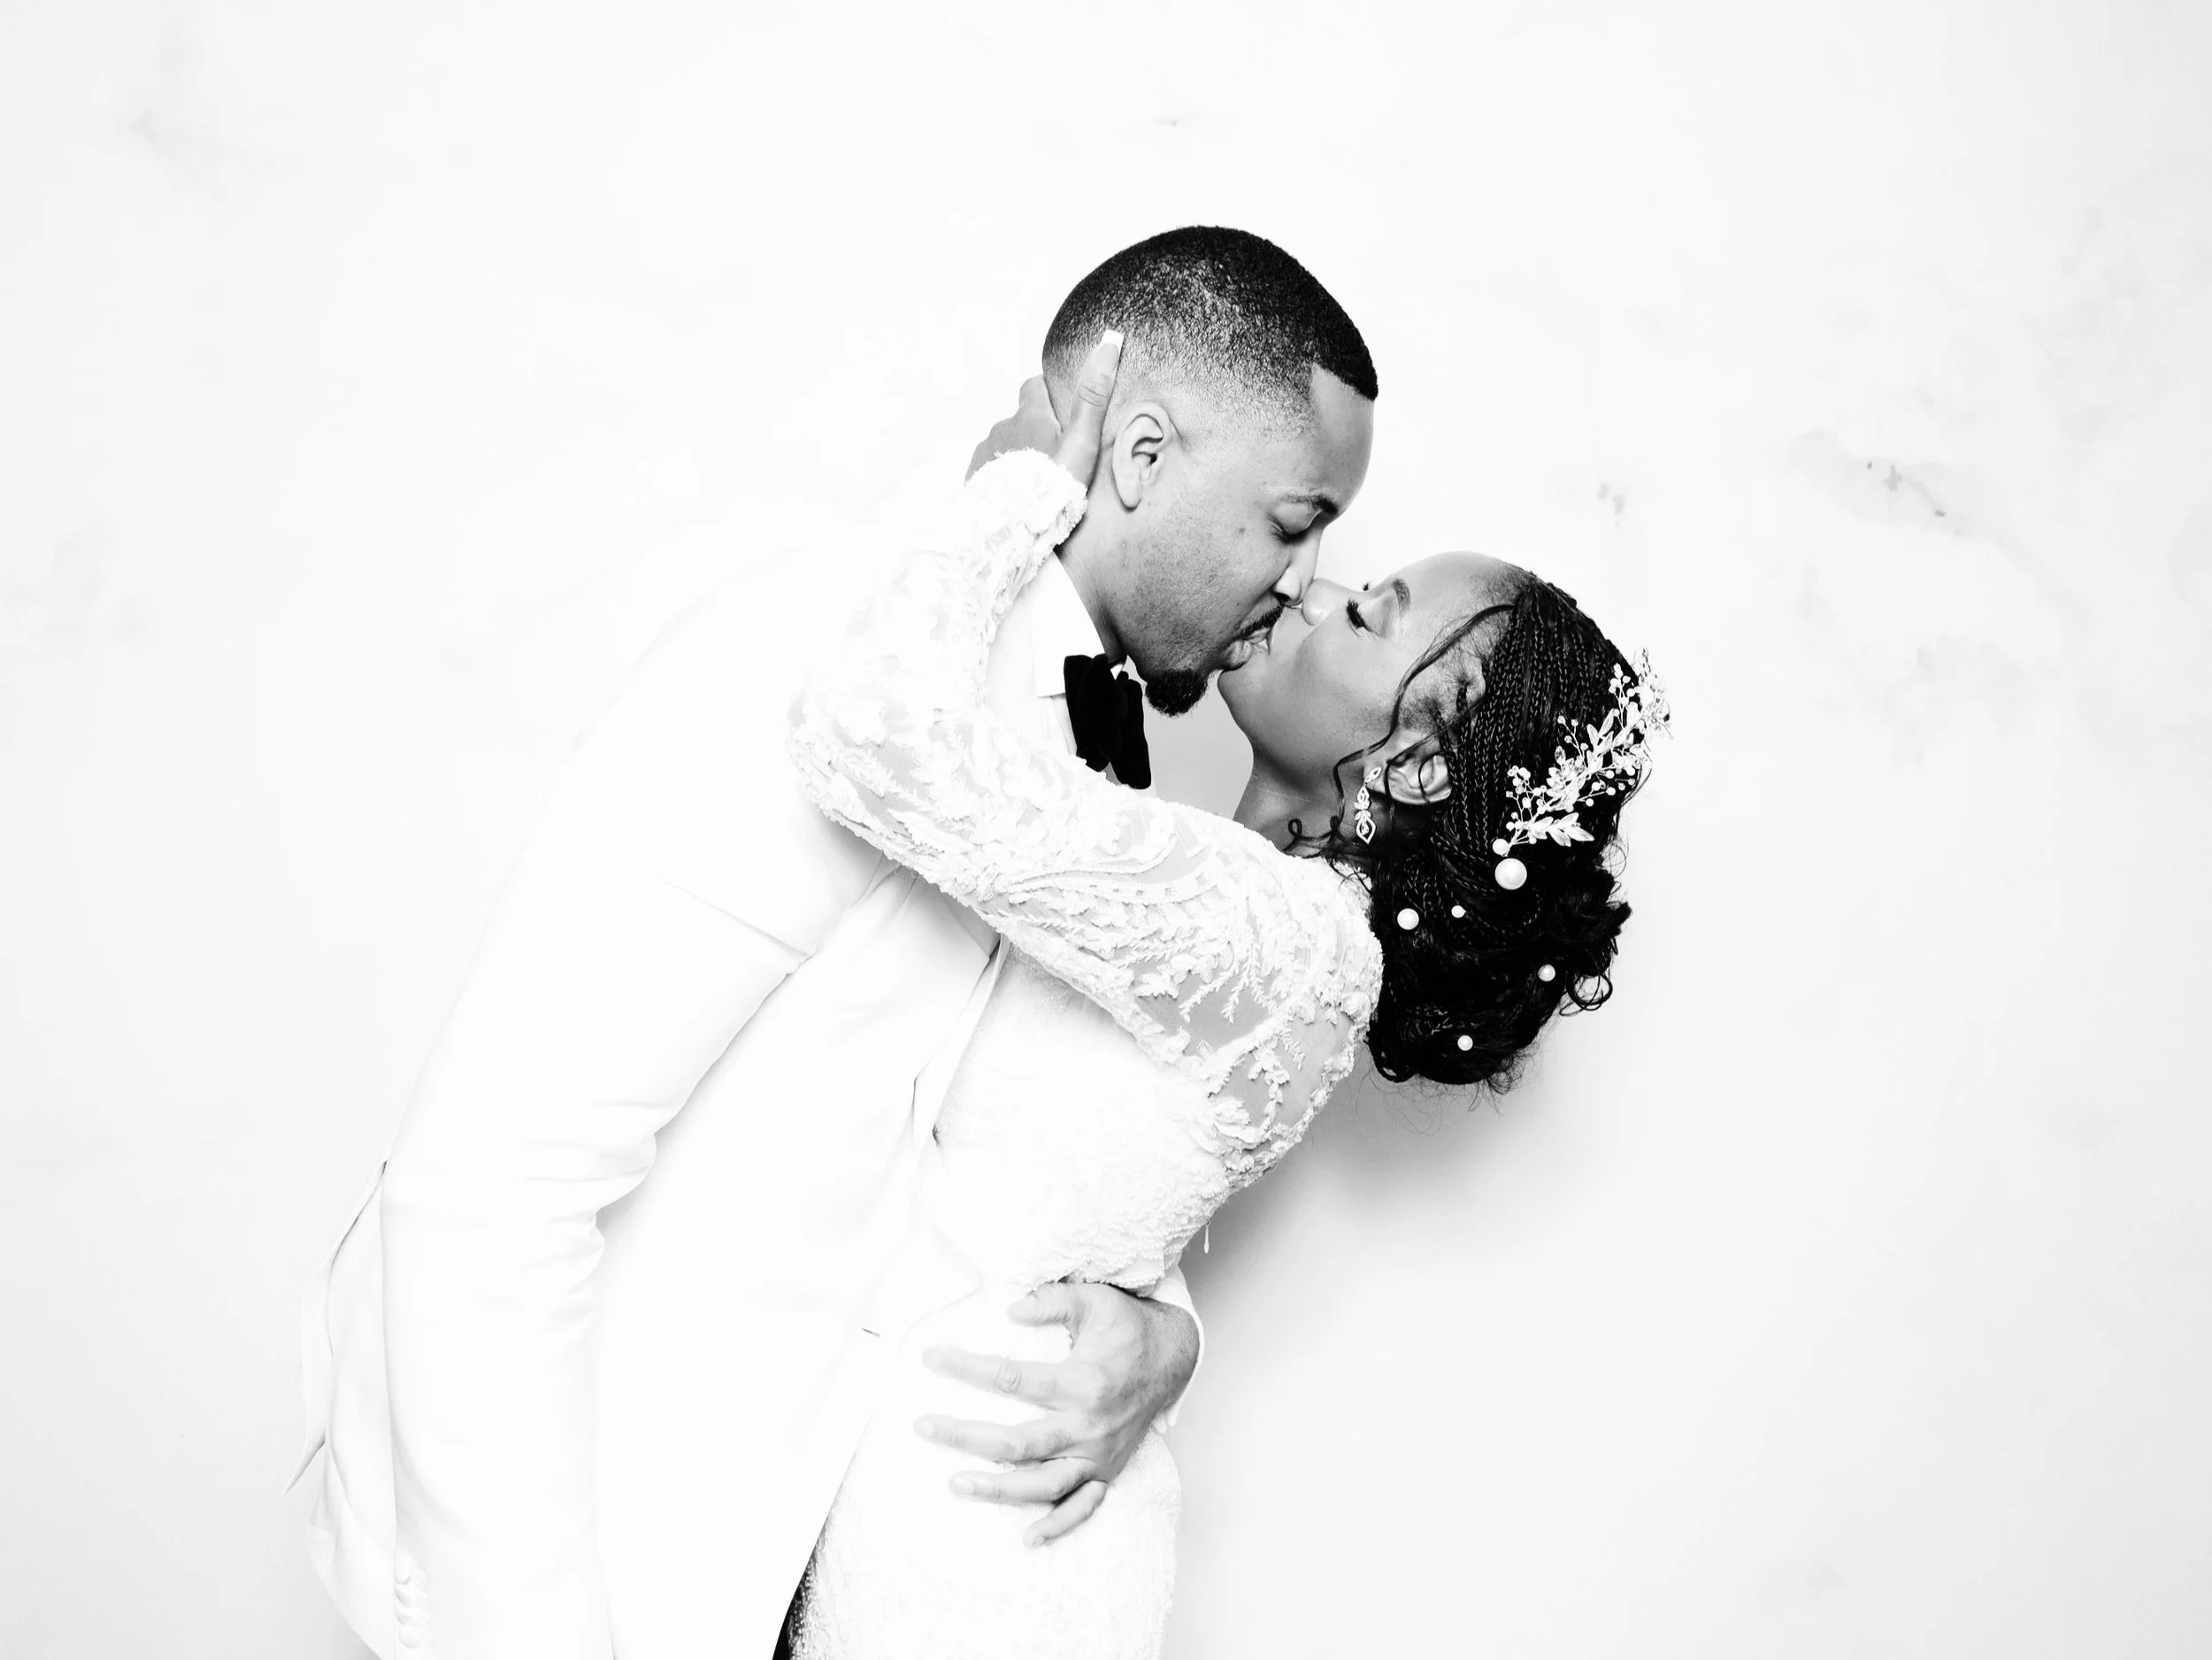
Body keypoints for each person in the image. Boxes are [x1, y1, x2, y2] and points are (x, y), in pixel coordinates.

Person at [291, 227, 1382, 1659]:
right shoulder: (820, 663)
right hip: (564, 1584)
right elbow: (487, 1193)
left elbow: (1028, 1149)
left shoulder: (1073, 772)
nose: (1301, 578)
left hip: (769, 1584)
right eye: (1297, 520)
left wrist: (1165, 1337)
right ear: (1142, 454)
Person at [777, 329, 1664, 1658]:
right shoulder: (1261, 925)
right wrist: (1166, 1336)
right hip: (959, 1516)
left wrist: (1015, 495)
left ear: (1417, 769)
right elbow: (1075, 1205)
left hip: (976, 1570)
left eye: (1366, 616)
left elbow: (871, 734)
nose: (1310, 593)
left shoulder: (1268, 937)